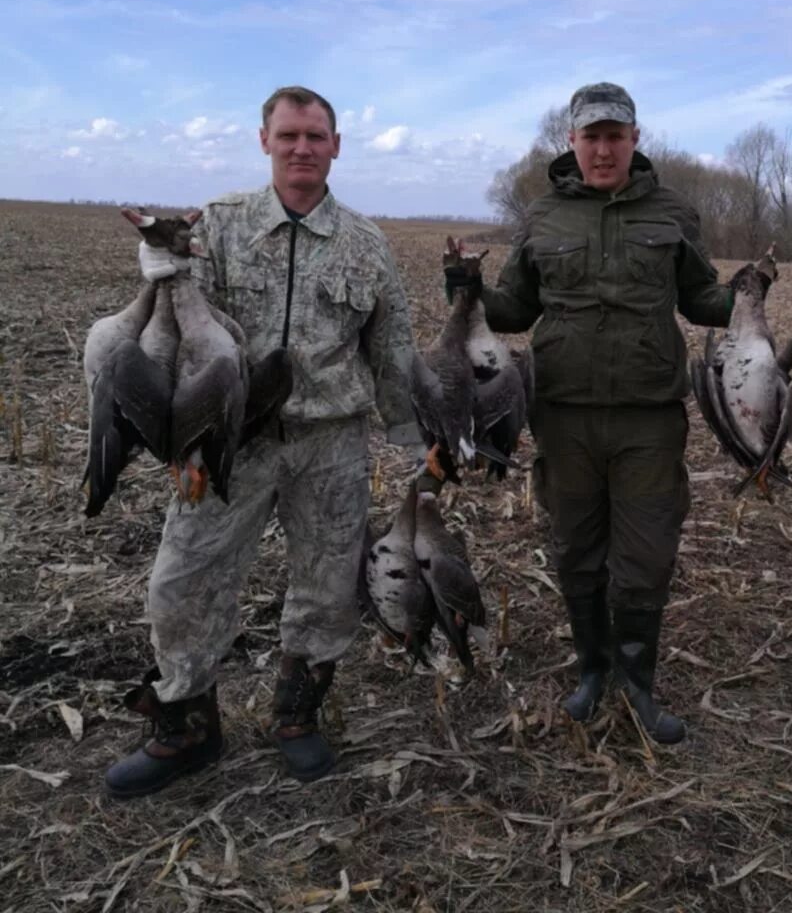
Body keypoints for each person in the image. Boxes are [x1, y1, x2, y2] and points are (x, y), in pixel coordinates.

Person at [105, 86, 421, 797]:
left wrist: (422, 444)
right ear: (264, 141)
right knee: (181, 581)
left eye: (315, 136)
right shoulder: (217, 225)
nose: (302, 148)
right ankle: (185, 722)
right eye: (289, 136)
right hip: (230, 443)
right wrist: (161, 272)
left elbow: (394, 349)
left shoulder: (366, 244)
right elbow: (178, 333)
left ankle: (297, 716)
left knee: (326, 588)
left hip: (331, 442)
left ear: (336, 145)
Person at [446, 83, 733, 744]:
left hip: (648, 418)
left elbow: (699, 299)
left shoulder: (673, 212)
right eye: (591, 136)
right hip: (564, 414)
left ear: (635, 139)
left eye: (615, 136)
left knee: (647, 557)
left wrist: (748, 297)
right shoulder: (543, 217)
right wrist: (469, 290)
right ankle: (592, 672)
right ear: (571, 142)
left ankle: (639, 683)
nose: (603, 149)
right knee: (575, 550)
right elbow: (517, 307)